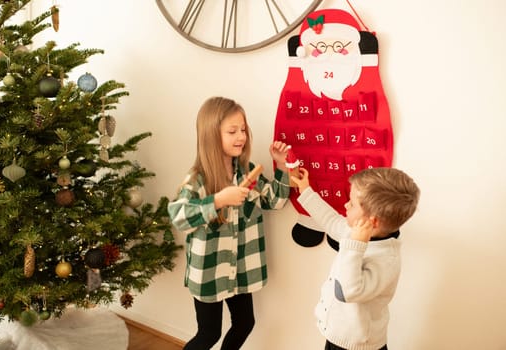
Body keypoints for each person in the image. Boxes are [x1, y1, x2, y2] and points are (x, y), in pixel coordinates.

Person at [167, 96, 291, 349]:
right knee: (209, 334)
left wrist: (281, 166)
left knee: (245, 323)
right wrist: (218, 201)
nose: (241, 136)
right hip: (210, 272)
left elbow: (275, 201)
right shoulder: (198, 179)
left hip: (241, 269)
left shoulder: (249, 172)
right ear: (212, 135)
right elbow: (179, 216)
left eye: (243, 129)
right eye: (232, 131)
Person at [290, 166, 420, 350]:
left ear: (372, 221)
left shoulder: (385, 259)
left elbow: (346, 291)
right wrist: (306, 191)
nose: (346, 205)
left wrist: (356, 246)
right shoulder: (360, 232)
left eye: (351, 203)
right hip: (338, 336)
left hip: (357, 346)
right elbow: (331, 221)